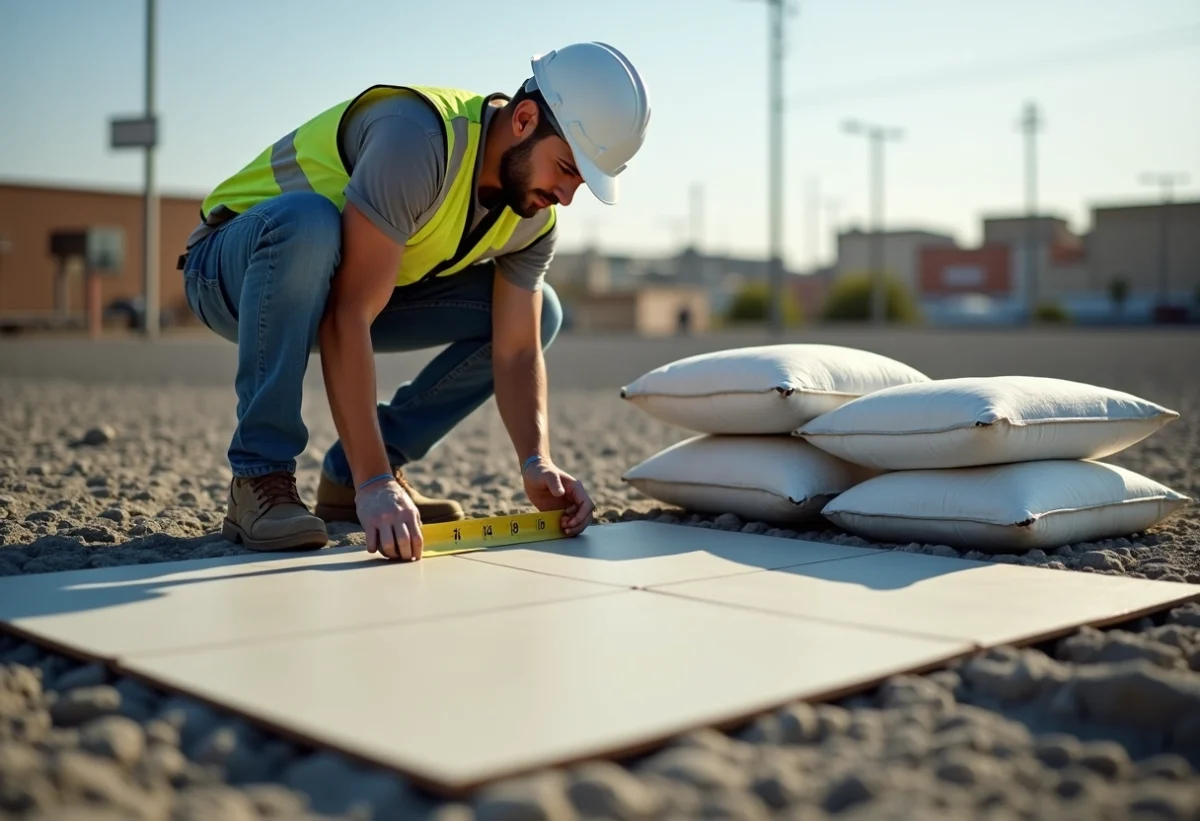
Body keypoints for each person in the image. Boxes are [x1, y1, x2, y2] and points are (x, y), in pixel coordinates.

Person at [175, 42, 651, 562]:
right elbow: (349, 316)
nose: (565, 195)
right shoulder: (421, 141)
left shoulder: (532, 220)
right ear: (525, 118)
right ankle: (259, 478)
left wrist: (536, 460)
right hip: (231, 270)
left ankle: (343, 479)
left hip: (340, 292)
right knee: (309, 222)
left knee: (544, 313)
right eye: (565, 168)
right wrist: (375, 483)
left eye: (580, 181)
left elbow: (515, 352)